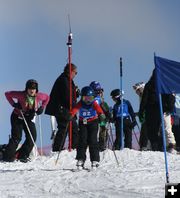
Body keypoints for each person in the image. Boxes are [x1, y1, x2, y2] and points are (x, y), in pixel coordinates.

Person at [3, 79, 49, 162]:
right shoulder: (21, 95)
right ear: (26, 89)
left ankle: (22, 156)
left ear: (36, 89)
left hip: (28, 118)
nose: (32, 90)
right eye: (30, 88)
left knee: (32, 137)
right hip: (17, 117)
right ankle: (7, 157)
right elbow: (7, 94)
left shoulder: (39, 96)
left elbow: (47, 98)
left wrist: (42, 107)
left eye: (34, 88)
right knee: (17, 137)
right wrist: (14, 104)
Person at [69, 86, 106, 169]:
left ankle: (95, 160)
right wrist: (71, 115)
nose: (88, 100)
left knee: (93, 140)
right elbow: (75, 109)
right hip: (83, 123)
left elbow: (99, 109)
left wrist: (101, 115)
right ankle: (81, 159)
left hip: (93, 122)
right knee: (82, 140)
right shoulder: (80, 103)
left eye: (90, 98)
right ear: (82, 98)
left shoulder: (94, 104)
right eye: (85, 98)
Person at [139, 70, 176, 152]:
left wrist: (169, 107)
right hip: (154, 110)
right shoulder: (151, 85)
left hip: (161, 110)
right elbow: (144, 99)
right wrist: (141, 111)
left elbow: (170, 97)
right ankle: (156, 147)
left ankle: (170, 146)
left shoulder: (162, 84)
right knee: (155, 130)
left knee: (165, 129)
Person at [45, 63, 79, 151]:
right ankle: (59, 148)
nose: (76, 74)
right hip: (62, 108)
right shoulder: (64, 80)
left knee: (71, 127)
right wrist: (75, 106)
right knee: (65, 127)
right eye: (75, 72)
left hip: (63, 108)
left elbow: (70, 94)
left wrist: (75, 93)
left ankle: (72, 146)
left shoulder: (67, 80)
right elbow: (67, 96)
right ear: (71, 71)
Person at [90, 81, 111, 151]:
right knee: (93, 131)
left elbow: (103, 105)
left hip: (101, 117)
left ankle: (102, 145)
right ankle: (92, 144)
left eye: (100, 91)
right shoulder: (91, 98)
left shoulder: (100, 98)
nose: (99, 92)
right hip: (92, 117)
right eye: (97, 91)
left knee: (103, 129)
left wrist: (108, 113)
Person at [133, 82, 149, 151]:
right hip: (143, 116)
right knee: (143, 130)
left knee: (146, 130)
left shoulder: (147, 95)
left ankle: (145, 145)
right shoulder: (141, 96)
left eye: (138, 90)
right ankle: (142, 145)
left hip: (149, 116)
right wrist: (138, 113)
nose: (137, 92)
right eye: (136, 91)